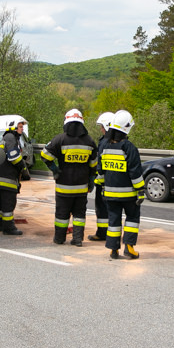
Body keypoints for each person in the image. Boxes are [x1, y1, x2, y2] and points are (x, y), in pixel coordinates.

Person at [41, 109, 98, 246]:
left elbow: (44, 155)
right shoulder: (90, 141)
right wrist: (91, 181)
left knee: (62, 214)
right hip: (81, 188)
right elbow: (94, 165)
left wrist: (54, 169)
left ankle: (59, 238)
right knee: (79, 215)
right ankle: (77, 239)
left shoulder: (60, 139)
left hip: (63, 188)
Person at [95, 110, 145, 259]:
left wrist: (103, 187)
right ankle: (129, 248)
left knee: (113, 221)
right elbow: (135, 172)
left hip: (110, 194)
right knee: (132, 219)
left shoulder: (104, 146)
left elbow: (100, 171)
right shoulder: (129, 147)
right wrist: (140, 190)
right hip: (129, 195)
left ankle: (113, 250)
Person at [0, 117, 28, 235]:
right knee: (9, 203)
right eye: (20, 126)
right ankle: (9, 228)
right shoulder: (10, 137)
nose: (22, 128)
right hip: (7, 177)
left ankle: (1, 223)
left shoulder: (8, 137)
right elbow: (14, 157)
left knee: (2, 203)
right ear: (13, 127)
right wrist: (23, 168)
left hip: (2, 176)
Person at [87, 112, 114, 242]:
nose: (101, 129)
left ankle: (102, 233)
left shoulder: (104, 142)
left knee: (102, 209)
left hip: (103, 183)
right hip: (115, 182)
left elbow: (100, 163)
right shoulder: (122, 141)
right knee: (113, 210)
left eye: (102, 126)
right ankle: (111, 233)